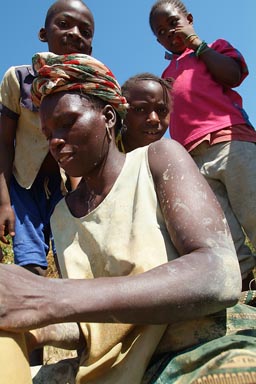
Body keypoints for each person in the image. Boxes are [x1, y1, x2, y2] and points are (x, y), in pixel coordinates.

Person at [0, 52, 256, 384]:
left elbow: (217, 274)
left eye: (67, 123)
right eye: (48, 133)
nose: (56, 142)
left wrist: (49, 296)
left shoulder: (156, 160)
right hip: (115, 367)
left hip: (198, 344)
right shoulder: (61, 215)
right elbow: (96, 322)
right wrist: (33, 326)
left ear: (107, 116)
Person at [0, 0, 94, 367]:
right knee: (31, 269)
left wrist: (80, 189)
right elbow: (4, 143)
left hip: (63, 190)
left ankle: (87, 358)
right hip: (22, 188)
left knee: (77, 270)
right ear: (44, 34)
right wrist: (4, 201)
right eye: (64, 25)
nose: (74, 35)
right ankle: (30, 362)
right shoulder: (18, 78)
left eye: (85, 32)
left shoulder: (87, 85)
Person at [149, 0, 256, 291]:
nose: (169, 32)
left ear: (189, 19)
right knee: (225, 230)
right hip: (192, 161)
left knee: (253, 210)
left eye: (173, 23)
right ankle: (247, 285)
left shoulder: (214, 48)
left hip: (232, 143)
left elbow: (232, 75)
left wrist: (199, 46)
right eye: (160, 31)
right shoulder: (166, 77)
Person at [116, 73, 172, 153]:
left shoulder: (170, 156)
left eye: (162, 110)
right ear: (121, 111)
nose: (154, 119)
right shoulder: (100, 153)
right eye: (140, 109)